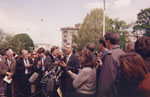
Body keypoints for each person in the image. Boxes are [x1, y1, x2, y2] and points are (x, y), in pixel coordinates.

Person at [97, 32, 125, 97]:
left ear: (108, 41)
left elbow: (106, 81)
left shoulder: (110, 56)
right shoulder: (123, 53)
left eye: (105, 41)